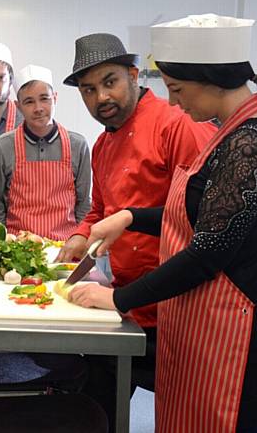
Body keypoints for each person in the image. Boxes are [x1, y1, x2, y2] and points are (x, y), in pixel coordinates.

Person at [70, 13, 257, 433]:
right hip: (197, 320)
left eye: (177, 88)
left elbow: (207, 254)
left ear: (209, 78)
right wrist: (128, 217)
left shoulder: (252, 142)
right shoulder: (233, 134)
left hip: (229, 335)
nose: (172, 101)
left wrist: (117, 299)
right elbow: (197, 212)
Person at [57, 32, 217, 427]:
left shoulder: (176, 126)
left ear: (133, 74)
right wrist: (81, 234)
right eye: (89, 90)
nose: (101, 99)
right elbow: (99, 208)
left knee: (189, 413)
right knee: (96, 401)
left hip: (178, 305)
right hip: (124, 302)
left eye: (109, 82)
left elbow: (208, 214)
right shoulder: (102, 144)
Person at [0, 64, 91, 239]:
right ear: (18, 106)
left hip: (64, 250)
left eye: (44, 99)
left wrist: (80, 242)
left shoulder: (78, 144)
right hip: (17, 251)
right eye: (29, 102)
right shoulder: (3, 146)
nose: (38, 108)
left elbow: (84, 205)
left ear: (55, 98)